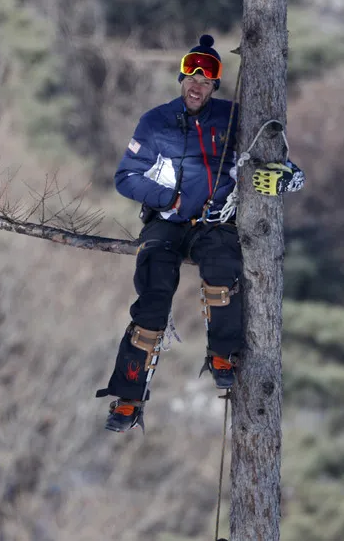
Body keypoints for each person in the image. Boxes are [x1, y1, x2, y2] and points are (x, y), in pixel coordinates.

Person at [96, 34, 304, 433]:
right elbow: (125, 177)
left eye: (205, 79)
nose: (196, 84)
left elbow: (279, 160)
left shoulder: (234, 117)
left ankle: (224, 355)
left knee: (223, 268)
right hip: (166, 223)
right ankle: (128, 397)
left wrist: (287, 178)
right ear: (181, 79)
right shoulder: (156, 121)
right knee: (152, 299)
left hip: (214, 222)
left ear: (214, 86)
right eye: (190, 76)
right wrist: (166, 196)